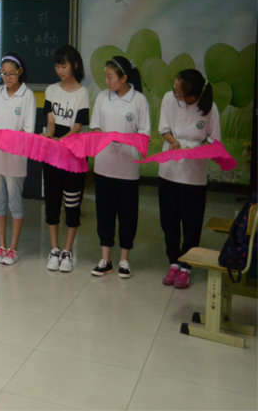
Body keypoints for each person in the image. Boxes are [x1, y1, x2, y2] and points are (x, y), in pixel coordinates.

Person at [158, 69, 220, 289]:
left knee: (191, 223)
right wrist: (173, 141)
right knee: (169, 220)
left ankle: (187, 267)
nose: (175, 93)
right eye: (175, 88)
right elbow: (164, 128)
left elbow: (213, 140)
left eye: (180, 92)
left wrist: (197, 149)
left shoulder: (210, 108)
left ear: (192, 96)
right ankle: (174, 262)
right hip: (169, 171)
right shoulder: (169, 99)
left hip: (194, 175)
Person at [89, 55, 150, 279]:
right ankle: (105, 259)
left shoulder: (139, 100)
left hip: (127, 168)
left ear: (123, 78)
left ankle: (124, 259)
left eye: (110, 77)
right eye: (106, 77)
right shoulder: (102, 98)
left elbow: (144, 134)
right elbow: (95, 127)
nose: (107, 82)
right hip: (104, 165)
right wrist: (105, 137)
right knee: (104, 213)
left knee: (127, 215)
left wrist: (124, 140)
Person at [43, 45, 89, 272]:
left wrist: (63, 141)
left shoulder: (82, 93)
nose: (59, 70)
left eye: (64, 66)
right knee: (52, 202)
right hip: (52, 154)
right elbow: (50, 121)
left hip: (73, 155)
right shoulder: (51, 90)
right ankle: (54, 249)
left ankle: (68, 251)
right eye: (57, 66)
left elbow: (78, 127)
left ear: (75, 65)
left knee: (72, 204)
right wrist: (50, 136)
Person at [0, 53, 36, 266]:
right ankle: (1, 245)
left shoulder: (27, 95)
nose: (7, 78)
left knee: (14, 202)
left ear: (20, 73)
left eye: (11, 74)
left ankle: (13, 248)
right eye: (3, 74)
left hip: (15, 157)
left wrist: (9, 139)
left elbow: (28, 130)